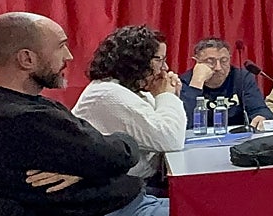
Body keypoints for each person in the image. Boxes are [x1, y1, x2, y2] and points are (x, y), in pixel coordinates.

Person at [0, 12, 167, 216]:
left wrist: (86, 171)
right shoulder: (25, 119)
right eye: (61, 46)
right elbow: (121, 154)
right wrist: (98, 163)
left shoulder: (2, 107)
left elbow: (102, 154)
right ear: (27, 59)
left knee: (199, 207)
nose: (69, 56)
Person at [71, 25, 187, 183]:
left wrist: (169, 96)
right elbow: (171, 139)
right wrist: (166, 95)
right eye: (159, 60)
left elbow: (169, 130)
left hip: (138, 184)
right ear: (137, 61)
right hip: (115, 192)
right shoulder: (108, 94)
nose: (165, 68)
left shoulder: (134, 91)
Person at [180, 37, 271, 130]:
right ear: (196, 62)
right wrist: (197, 83)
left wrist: (261, 117)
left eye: (224, 61)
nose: (218, 68)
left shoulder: (242, 78)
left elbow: (260, 109)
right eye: (210, 61)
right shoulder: (184, 82)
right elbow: (183, 123)